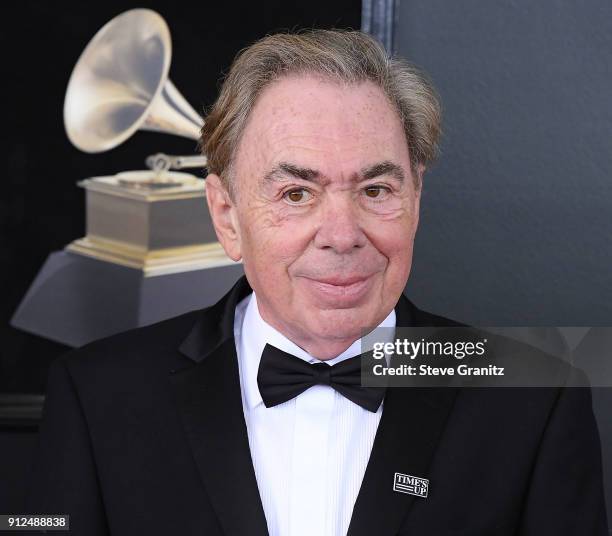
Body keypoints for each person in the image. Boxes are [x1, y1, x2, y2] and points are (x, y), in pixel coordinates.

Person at [26, 29, 608, 535]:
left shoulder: (536, 400)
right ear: (227, 216)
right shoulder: (97, 396)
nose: (342, 234)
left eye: (376, 190)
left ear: (416, 198)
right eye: (296, 194)